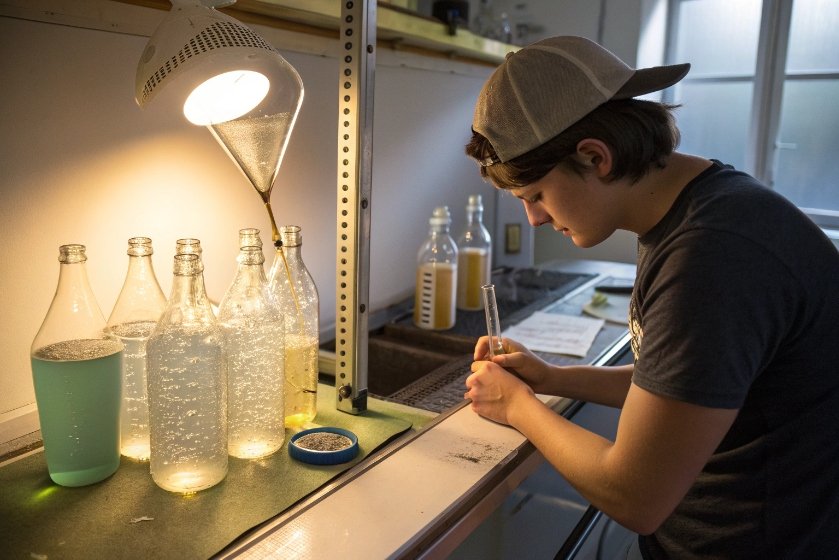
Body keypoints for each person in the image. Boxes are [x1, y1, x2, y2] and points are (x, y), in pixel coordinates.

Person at [463, 35, 839, 559]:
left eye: (537, 196)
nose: (535, 219)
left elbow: (635, 495)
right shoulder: (700, 207)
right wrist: (553, 378)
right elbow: (679, 391)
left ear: (595, 157)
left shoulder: (712, 257)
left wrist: (518, 405)